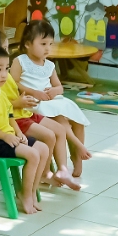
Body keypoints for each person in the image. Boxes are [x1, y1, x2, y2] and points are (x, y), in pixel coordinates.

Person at [0, 42, 48, 214]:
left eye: (6, 68)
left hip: (7, 139)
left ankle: (30, 192)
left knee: (43, 148)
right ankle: (25, 195)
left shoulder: (0, 93)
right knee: (33, 154)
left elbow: (10, 116)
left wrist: (19, 133)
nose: (4, 74)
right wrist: (5, 136)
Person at [12, 20, 91, 180]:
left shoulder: (49, 65)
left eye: (50, 44)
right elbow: (13, 83)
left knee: (77, 121)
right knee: (60, 119)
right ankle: (76, 148)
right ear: (27, 44)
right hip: (34, 103)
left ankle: (76, 157)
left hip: (50, 101)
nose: (47, 48)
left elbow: (59, 87)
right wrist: (34, 92)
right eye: (43, 44)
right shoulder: (20, 61)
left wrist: (54, 90)